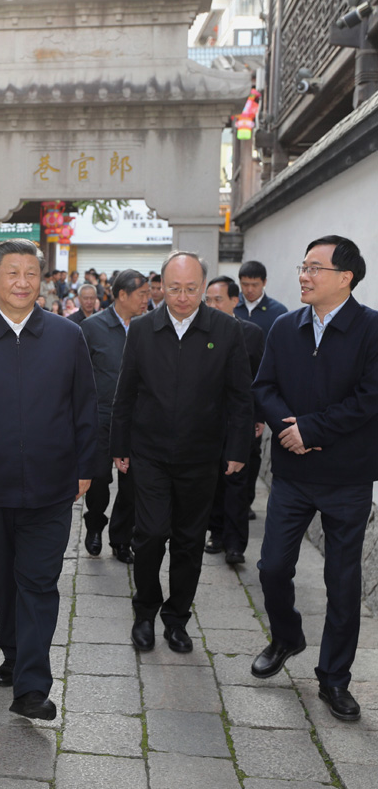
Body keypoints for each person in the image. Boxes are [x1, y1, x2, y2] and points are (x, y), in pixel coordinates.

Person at [0, 239, 98, 721]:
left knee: (40, 582)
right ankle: (12, 651)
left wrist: (86, 466)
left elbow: (85, 407)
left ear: (42, 279)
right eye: (12, 273)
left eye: (31, 273)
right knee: (5, 581)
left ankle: (31, 686)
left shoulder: (68, 336)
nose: (23, 282)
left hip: (53, 487)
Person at [251, 235, 378, 722]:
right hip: (294, 473)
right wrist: (292, 430)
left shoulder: (370, 330)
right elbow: (263, 386)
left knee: (342, 583)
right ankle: (287, 635)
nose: (303, 275)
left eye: (314, 268)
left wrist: (311, 429)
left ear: (345, 278)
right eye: (303, 266)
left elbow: (370, 399)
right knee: (271, 567)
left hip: (347, 477)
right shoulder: (285, 328)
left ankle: (334, 678)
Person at [111, 252, 252, 654]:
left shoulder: (225, 330)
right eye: (174, 289)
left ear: (204, 288)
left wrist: (237, 448)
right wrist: (119, 446)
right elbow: (126, 392)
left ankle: (177, 618)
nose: (183, 297)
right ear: (161, 287)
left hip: (201, 456)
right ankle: (144, 613)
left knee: (189, 541)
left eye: (192, 289)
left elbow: (241, 396)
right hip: (149, 454)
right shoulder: (142, 329)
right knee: (151, 534)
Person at [81, 270, 149, 564]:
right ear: (122, 295)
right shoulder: (92, 327)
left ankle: (122, 539)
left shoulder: (149, 327)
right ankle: (95, 526)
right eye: (142, 294)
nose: (148, 299)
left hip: (136, 419)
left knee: (132, 484)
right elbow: (79, 376)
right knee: (97, 480)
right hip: (100, 417)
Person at [204, 276, 264, 563]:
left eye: (218, 299)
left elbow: (263, 380)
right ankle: (216, 533)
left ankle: (236, 544)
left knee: (238, 483)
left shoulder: (252, 333)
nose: (212, 304)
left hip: (241, 419)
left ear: (234, 301)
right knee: (213, 480)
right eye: (209, 299)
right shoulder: (200, 332)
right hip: (208, 420)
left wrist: (260, 417)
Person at [234, 260, 287, 520]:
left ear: (264, 283)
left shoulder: (277, 312)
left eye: (254, 285)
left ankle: (246, 500)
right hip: (235, 389)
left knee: (252, 452)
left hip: (260, 391)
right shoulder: (234, 307)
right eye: (244, 285)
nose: (249, 290)